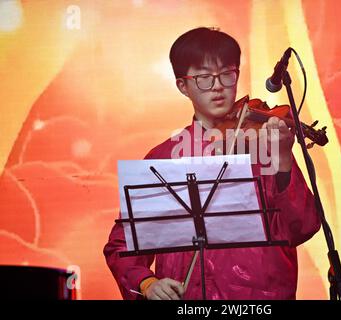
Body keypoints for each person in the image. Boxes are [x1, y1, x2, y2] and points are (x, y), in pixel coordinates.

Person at [104, 27, 320, 300]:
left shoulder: (265, 147)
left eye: (227, 75)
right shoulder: (164, 158)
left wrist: (283, 160)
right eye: (204, 77)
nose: (217, 86)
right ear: (183, 86)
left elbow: (301, 227)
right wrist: (147, 283)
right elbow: (121, 243)